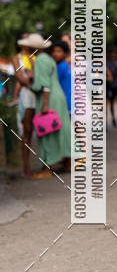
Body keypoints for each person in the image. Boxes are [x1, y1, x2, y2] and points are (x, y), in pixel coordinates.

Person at [24, 33, 71, 178]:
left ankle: (47, 168)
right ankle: (66, 162)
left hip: (49, 99)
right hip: (56, 97)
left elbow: (44, 85)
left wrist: (44, 104)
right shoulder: (46, 59)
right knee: (61, 130)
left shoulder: (41, 61)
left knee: (47, 132)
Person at [11, 34, 37, 176]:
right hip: (26, 96)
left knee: (41, 129)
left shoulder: (36, 56)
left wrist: (30, 74)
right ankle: (26, 165)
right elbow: (21, 79)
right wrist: (31, 75)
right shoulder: (16, 59)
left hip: (38, 94)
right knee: (27, 130)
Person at [51, 39, 71, 114]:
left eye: (59, 51)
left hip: (63, 105)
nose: (55, 54)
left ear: (65, 53)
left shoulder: (60, 66)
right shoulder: (65, 65)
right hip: (68, 103)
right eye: (54, 51)